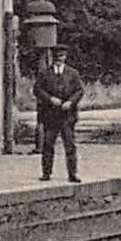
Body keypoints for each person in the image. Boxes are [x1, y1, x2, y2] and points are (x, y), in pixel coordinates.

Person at [35, 45, 84, 183]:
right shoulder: (44, 74)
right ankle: (46, 173)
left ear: (65, 57)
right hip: (50, 116)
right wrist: (50, 99)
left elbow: (79, 91)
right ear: (52, 58)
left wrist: (71, 102)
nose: (58, 60)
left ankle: (72, 174)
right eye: (56, 57)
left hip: (67, 116)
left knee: (70, 145)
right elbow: (37, 89)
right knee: (48, 145)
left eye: (61, 56)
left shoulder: (73, 73)